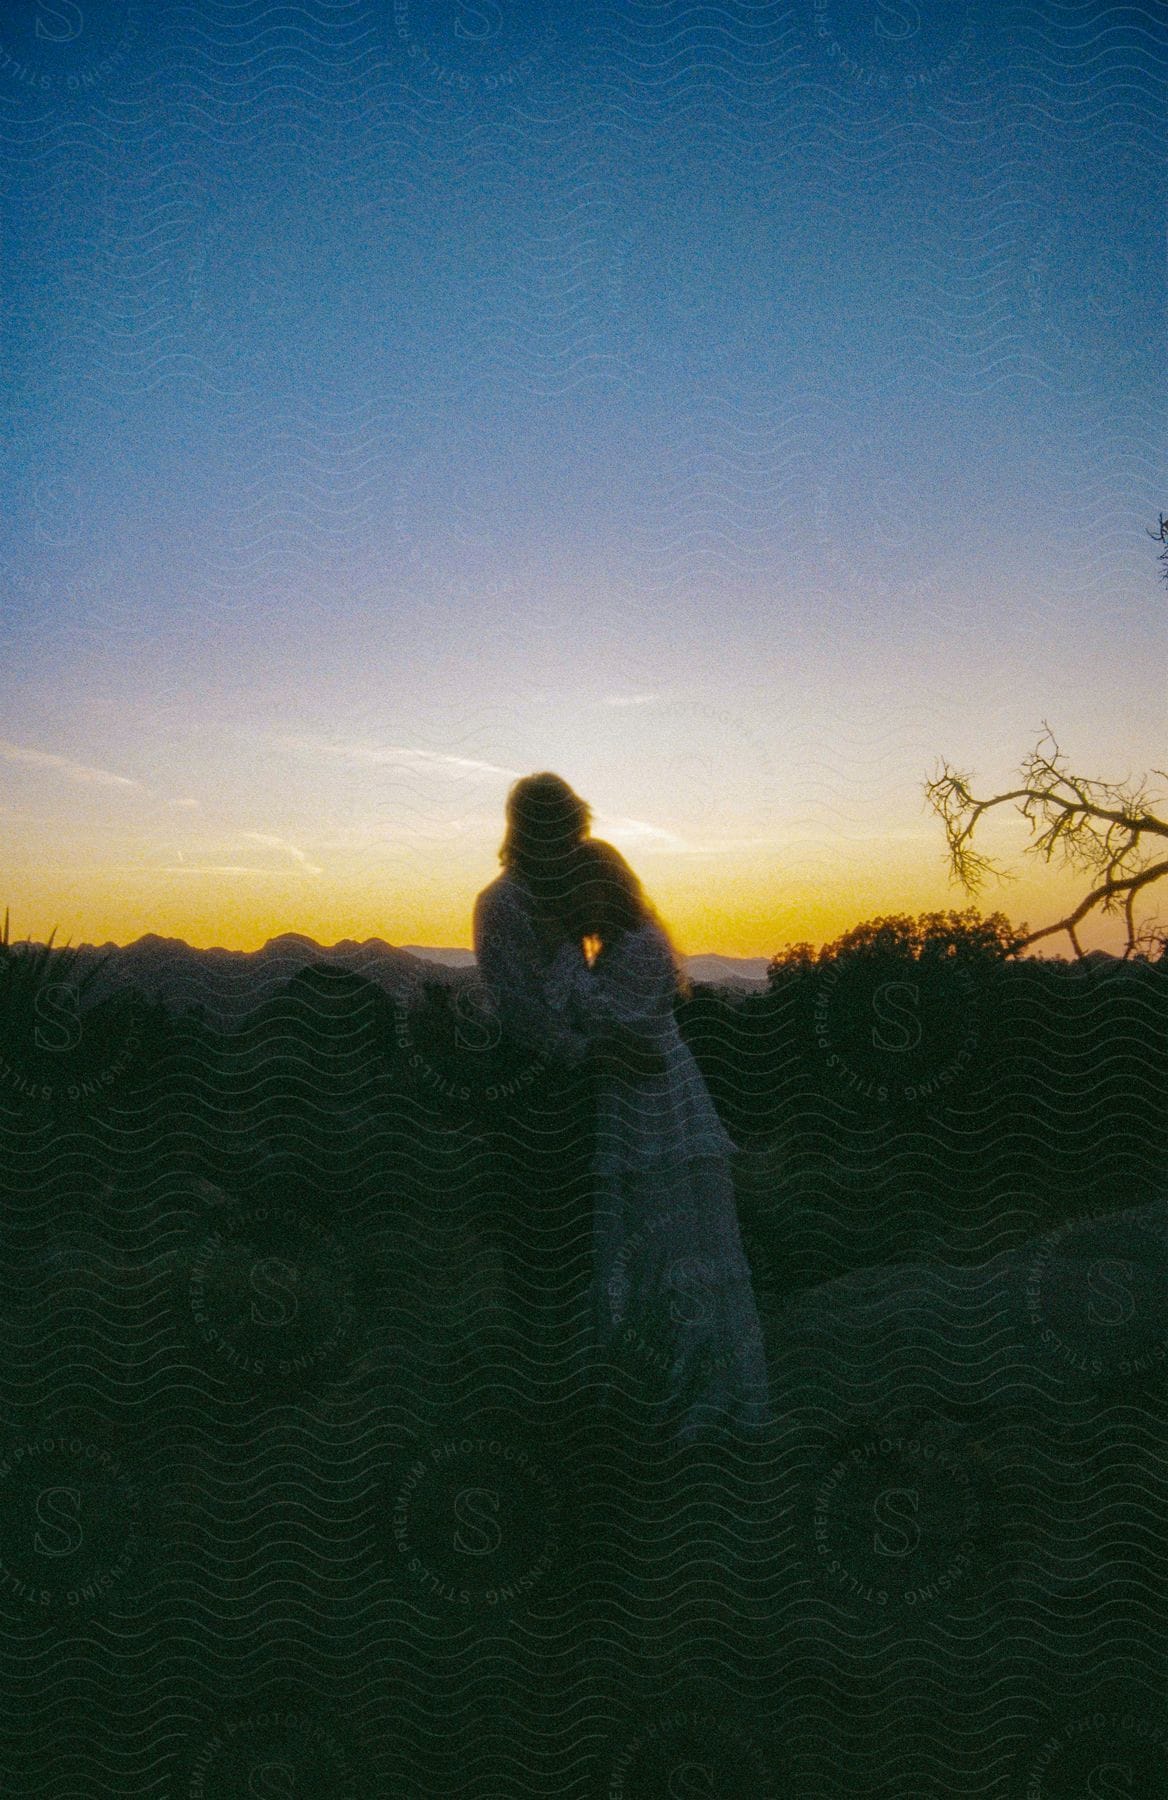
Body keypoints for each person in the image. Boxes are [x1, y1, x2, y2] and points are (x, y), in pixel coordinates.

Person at [545, 840, 770, 1443]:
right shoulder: (616, 947)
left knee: (681, 1249)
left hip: (661, 1112)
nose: (574, 906)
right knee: (650, 1253)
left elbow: (629, 1043)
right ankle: (663, 1395)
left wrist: (566, 968)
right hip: (632, 1110)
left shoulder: (639, 946)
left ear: (608, 888)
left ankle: (708, 1400)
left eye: (580, 891)